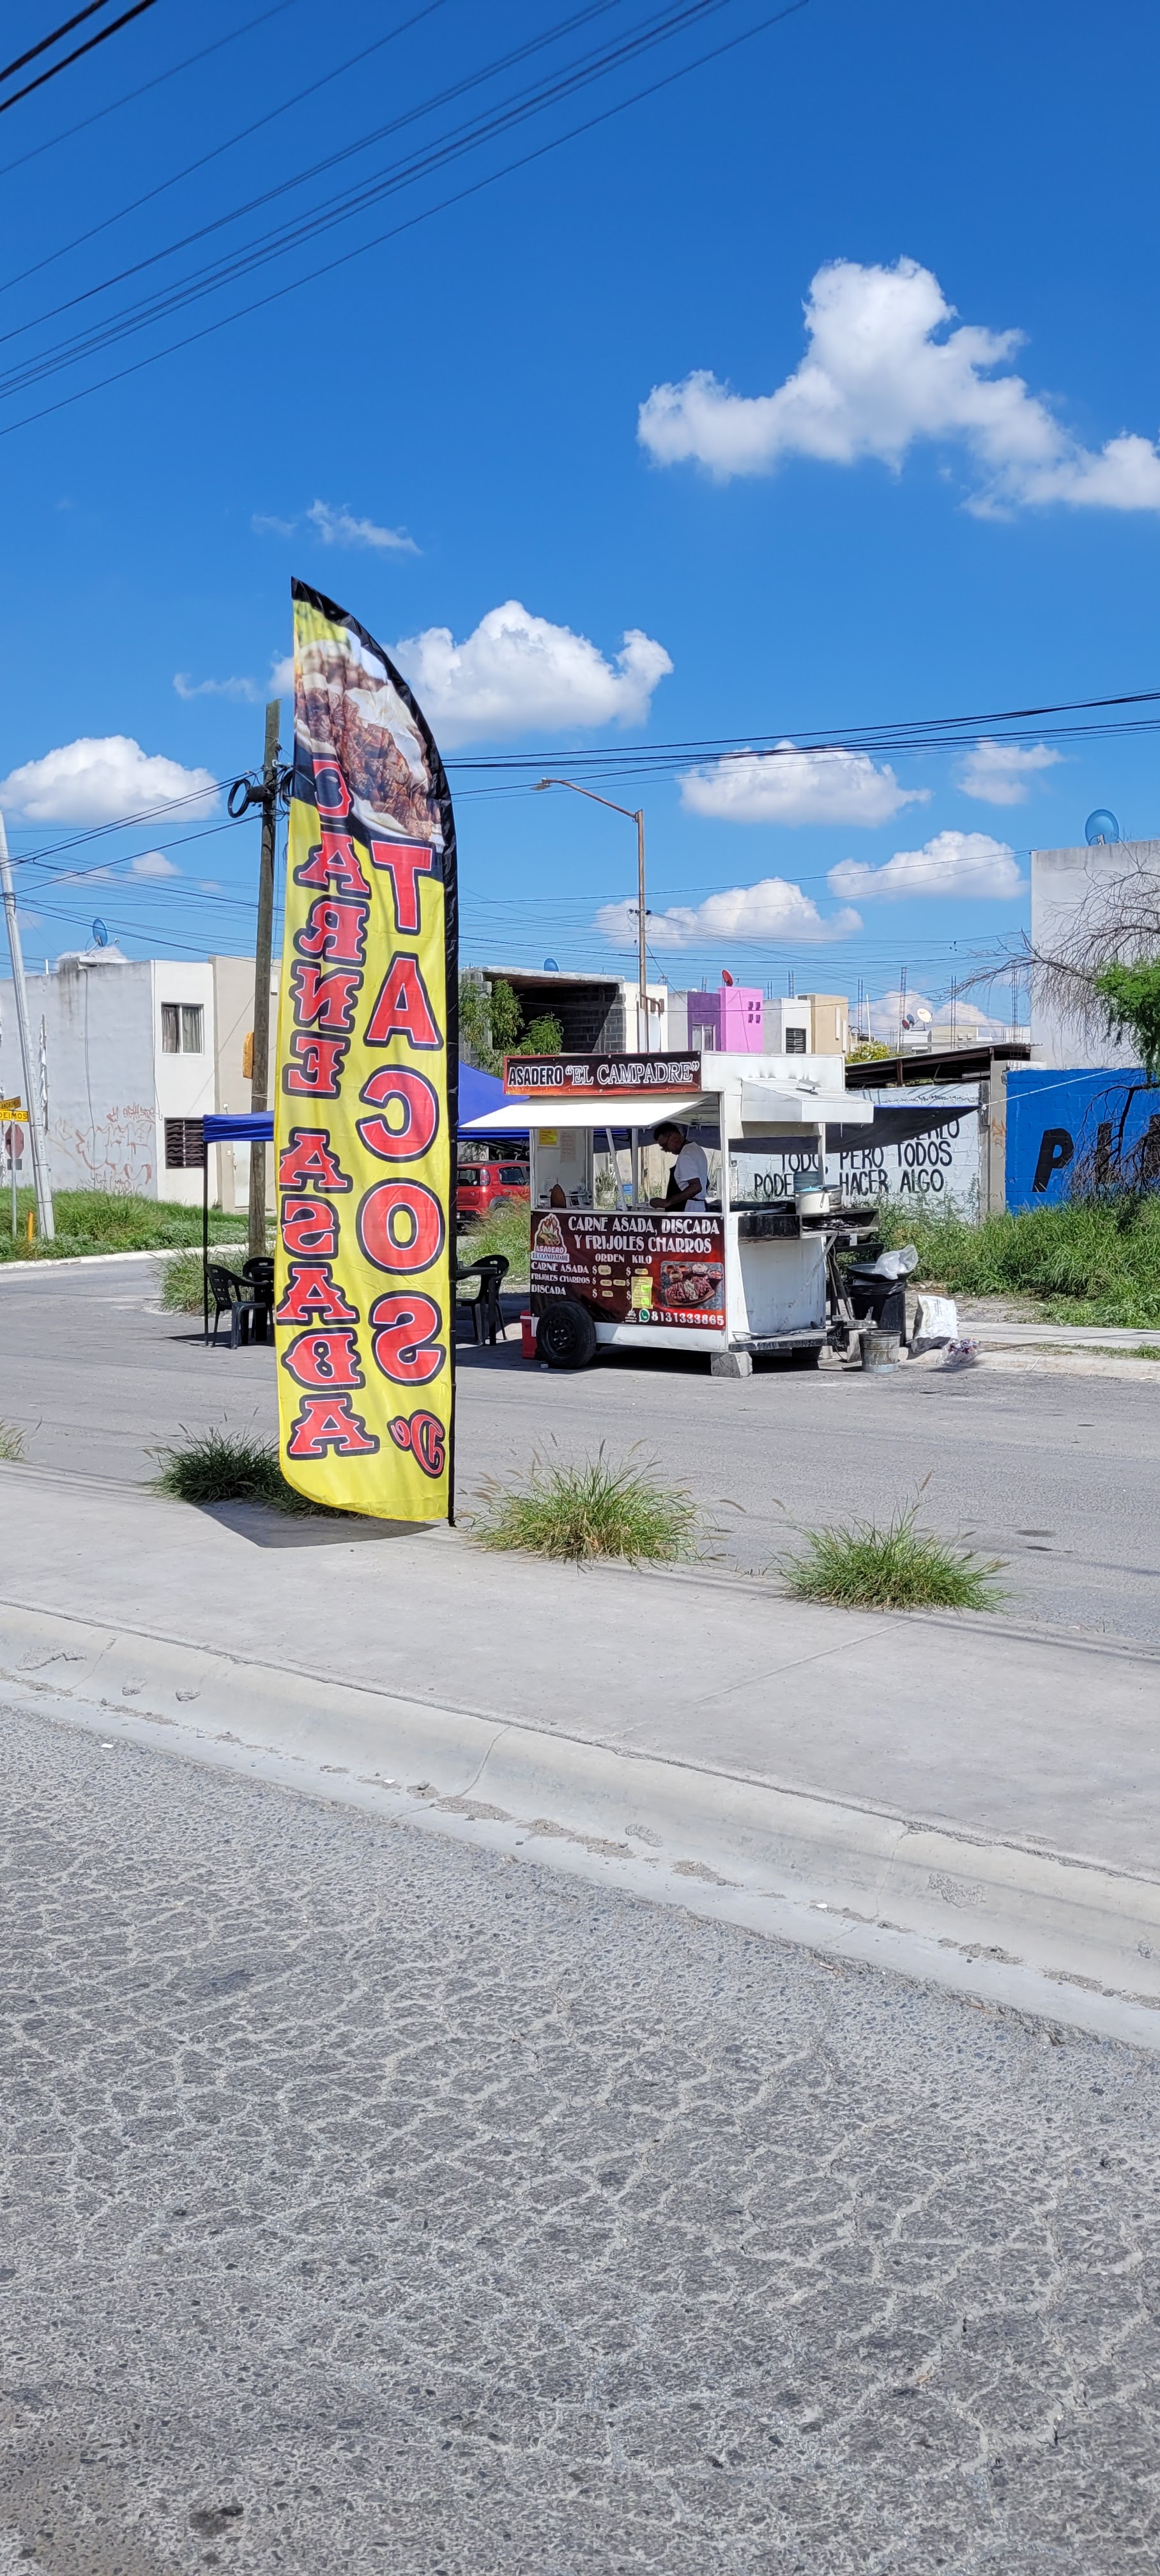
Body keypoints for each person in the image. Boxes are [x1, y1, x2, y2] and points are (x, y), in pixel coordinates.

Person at [652, 1121, 708, 1210]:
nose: (666, 1150)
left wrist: (668, 1202)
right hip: (698, 1207)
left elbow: (696, 1187)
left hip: (688, 1208)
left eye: (665, 1145)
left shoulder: (686, 1155)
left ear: (674, 1138)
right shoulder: (696, 1149)